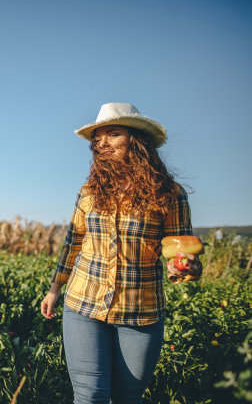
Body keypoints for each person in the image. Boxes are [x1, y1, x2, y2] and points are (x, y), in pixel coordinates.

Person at [40, 103, 201, 403]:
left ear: (137, 140)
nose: (102, 143)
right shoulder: (89, 191)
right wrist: (54, 287)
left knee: (128, 397)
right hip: (83, 304)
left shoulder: (169, 193)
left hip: (140, 312)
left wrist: (184, 268)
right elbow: (73, 241)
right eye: (98, 138)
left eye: (112, 134)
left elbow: (179, 247)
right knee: (90, 396)